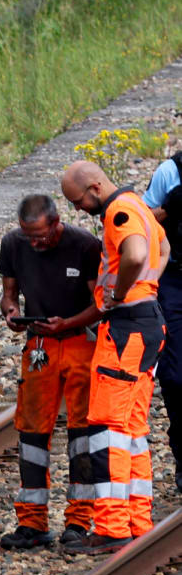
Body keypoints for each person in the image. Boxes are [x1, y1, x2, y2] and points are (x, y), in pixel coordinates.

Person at [61, 160, 169, 552]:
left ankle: (110, 526)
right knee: (133, 429)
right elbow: (164, 246)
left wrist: (122, 293)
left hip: (125, 328)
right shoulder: (139, 204)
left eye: (77, 201)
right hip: (148, 322)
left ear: (94, 186)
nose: (77, 210)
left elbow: (137, 254)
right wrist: (147, 288)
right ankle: (138, 519)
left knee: (107, 428)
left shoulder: (118, 211)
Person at [0, 194, 102, 550]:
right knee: (31, 432)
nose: (36, 243)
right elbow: (8, 294)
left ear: (57, 223)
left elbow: (100, 305)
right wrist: (11, 311)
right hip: (39, 345)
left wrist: (67, 323)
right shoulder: (14, 244)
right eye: (30, 237)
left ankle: (79, 520)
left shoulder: (85, 246)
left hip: (78, 342)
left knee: (82, 431)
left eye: (41, 235)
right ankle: (32, 522)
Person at [141, 150, 182, 487]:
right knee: (176, 374)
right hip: (176, 278)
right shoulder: (170, 171)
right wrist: (169, 208)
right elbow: (142, 222)